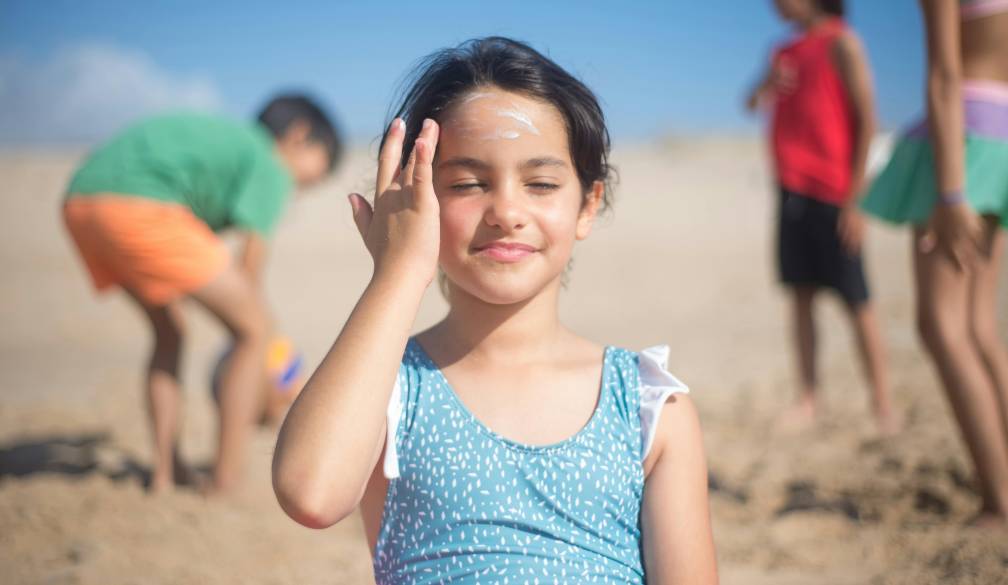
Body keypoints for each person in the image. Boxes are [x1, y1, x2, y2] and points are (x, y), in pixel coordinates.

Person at [272, 37, 718, 583]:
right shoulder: (386, 386)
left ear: (588, 204)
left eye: (541, 184)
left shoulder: (647, 406)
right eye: (467, 184)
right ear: (415, 199)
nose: (506, 211)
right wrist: (397, 273)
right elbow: (311, 494)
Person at [62, 94, 341, 494]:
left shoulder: (230, 146)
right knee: (255, 329)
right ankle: (226, 479)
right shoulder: (270, 162)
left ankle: (166, 473)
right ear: (298, 136)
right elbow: (249, 276)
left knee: (170, 332)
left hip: (82, 201)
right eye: (322, 165)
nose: (314, 183)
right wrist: (267, 376)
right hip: (140, 204)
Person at [862, 0, 1008, 532]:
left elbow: (945, 76)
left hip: (962, 141)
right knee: (980, 329)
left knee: (942, 327)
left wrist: (951, 193)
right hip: (1007, 133)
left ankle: (1002, 504)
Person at [746, 0, 896, 433]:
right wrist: (766, 83)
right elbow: (751, 103)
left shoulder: (843, 43)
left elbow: (867, 120)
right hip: (790, 191)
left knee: (856, 300)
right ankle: (809, 399)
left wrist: (856, 200)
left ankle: (883, 403)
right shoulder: (782, 51)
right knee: (800, 296)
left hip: (834, 192)